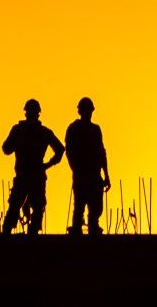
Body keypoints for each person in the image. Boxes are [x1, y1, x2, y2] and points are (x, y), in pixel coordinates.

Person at [0, 98, 64, 235]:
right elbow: (60, 149)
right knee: (33, 207)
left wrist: (47, 164)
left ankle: (8, 233)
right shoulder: (43, 132)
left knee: (20, 205)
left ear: (26, 113)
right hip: (34, 175)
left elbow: (6, 149)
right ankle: (28, 233)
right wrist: (47, 165)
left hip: (26, 175)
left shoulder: (19, 130)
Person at [63, 96, 111, 234]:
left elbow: (101, 152)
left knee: (95, 207)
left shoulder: (95, 129)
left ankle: (92, 227)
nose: (88, 113)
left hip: (94, 174)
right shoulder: (74, 128)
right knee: (79, 205)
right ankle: (77, 229)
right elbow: (69, 151)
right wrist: (76, 168)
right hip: (82, 174)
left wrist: (106, 175)